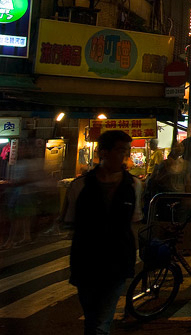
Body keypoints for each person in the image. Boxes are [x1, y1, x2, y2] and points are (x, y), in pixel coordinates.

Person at [64, 130, 142, 335]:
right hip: (86, 260)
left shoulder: (134, 185)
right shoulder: (79, 185)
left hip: (117, 260)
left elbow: (133, 221)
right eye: (120, 150)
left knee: (101, 321)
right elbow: (71, 221)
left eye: (127, 150)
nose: (125, 155)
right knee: (92, 318)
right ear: (104, 152)